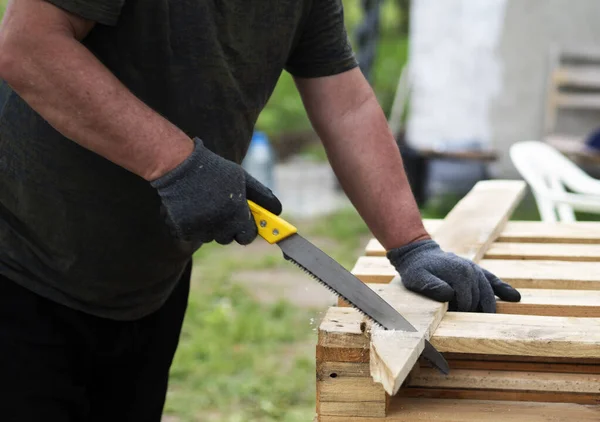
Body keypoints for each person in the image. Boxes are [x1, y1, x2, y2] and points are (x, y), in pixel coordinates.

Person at [0, 0, 521, 420]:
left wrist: (412, 244)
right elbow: (29, 45)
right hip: (22, 259)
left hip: (145, 282)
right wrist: (178, 165)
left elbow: (345, 101)